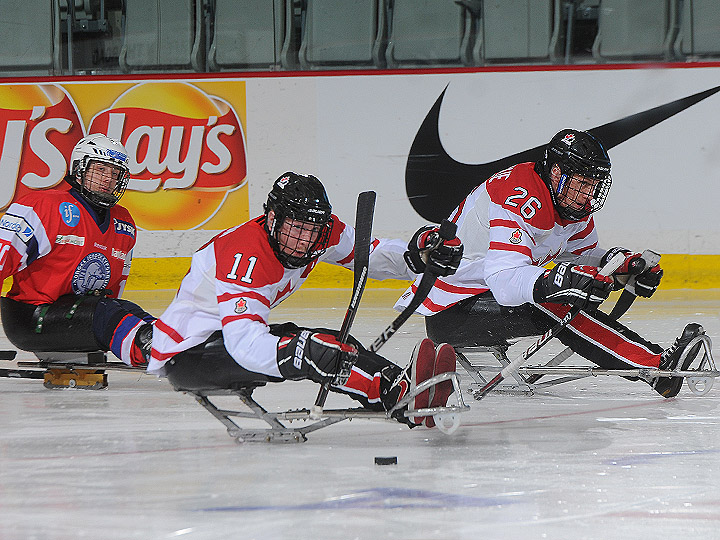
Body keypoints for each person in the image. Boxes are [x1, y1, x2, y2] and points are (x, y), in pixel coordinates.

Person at [395, 129, 705, 398]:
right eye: (579, 184)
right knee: (556, 302)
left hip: (478, 298)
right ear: (556, 172)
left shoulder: (568, 205)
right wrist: (558, 282)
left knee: (562, 293)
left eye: (592, 187)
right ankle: (656, 369)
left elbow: (583, 256)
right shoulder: (517, 195)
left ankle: (653, 364)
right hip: (452, 311)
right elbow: (504, 280)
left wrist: (621, 264)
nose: (586, 196)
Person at [148, 172, 464, 427]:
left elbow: (370, 255)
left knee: (334, 343)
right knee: (312, 349)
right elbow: (244, 344)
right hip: (190, 355)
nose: (302, 240)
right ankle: (394, 393)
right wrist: (299, 353)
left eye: (311, 230)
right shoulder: (244, 257)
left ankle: (402, 389)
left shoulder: (319, 235)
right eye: (295, 228)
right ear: (272, 218)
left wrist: (420, 255)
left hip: (225, 338)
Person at [0, 134, 154, 368]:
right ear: (80, 169)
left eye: (114, 174)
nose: (107, 179)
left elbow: (112, 291)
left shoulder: (124, 223)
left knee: (127, 310)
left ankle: (175, 344)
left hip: (83, 314)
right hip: (31, 318)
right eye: (100, 169)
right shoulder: (42, 207)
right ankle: (155, 351)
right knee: (105, 311)